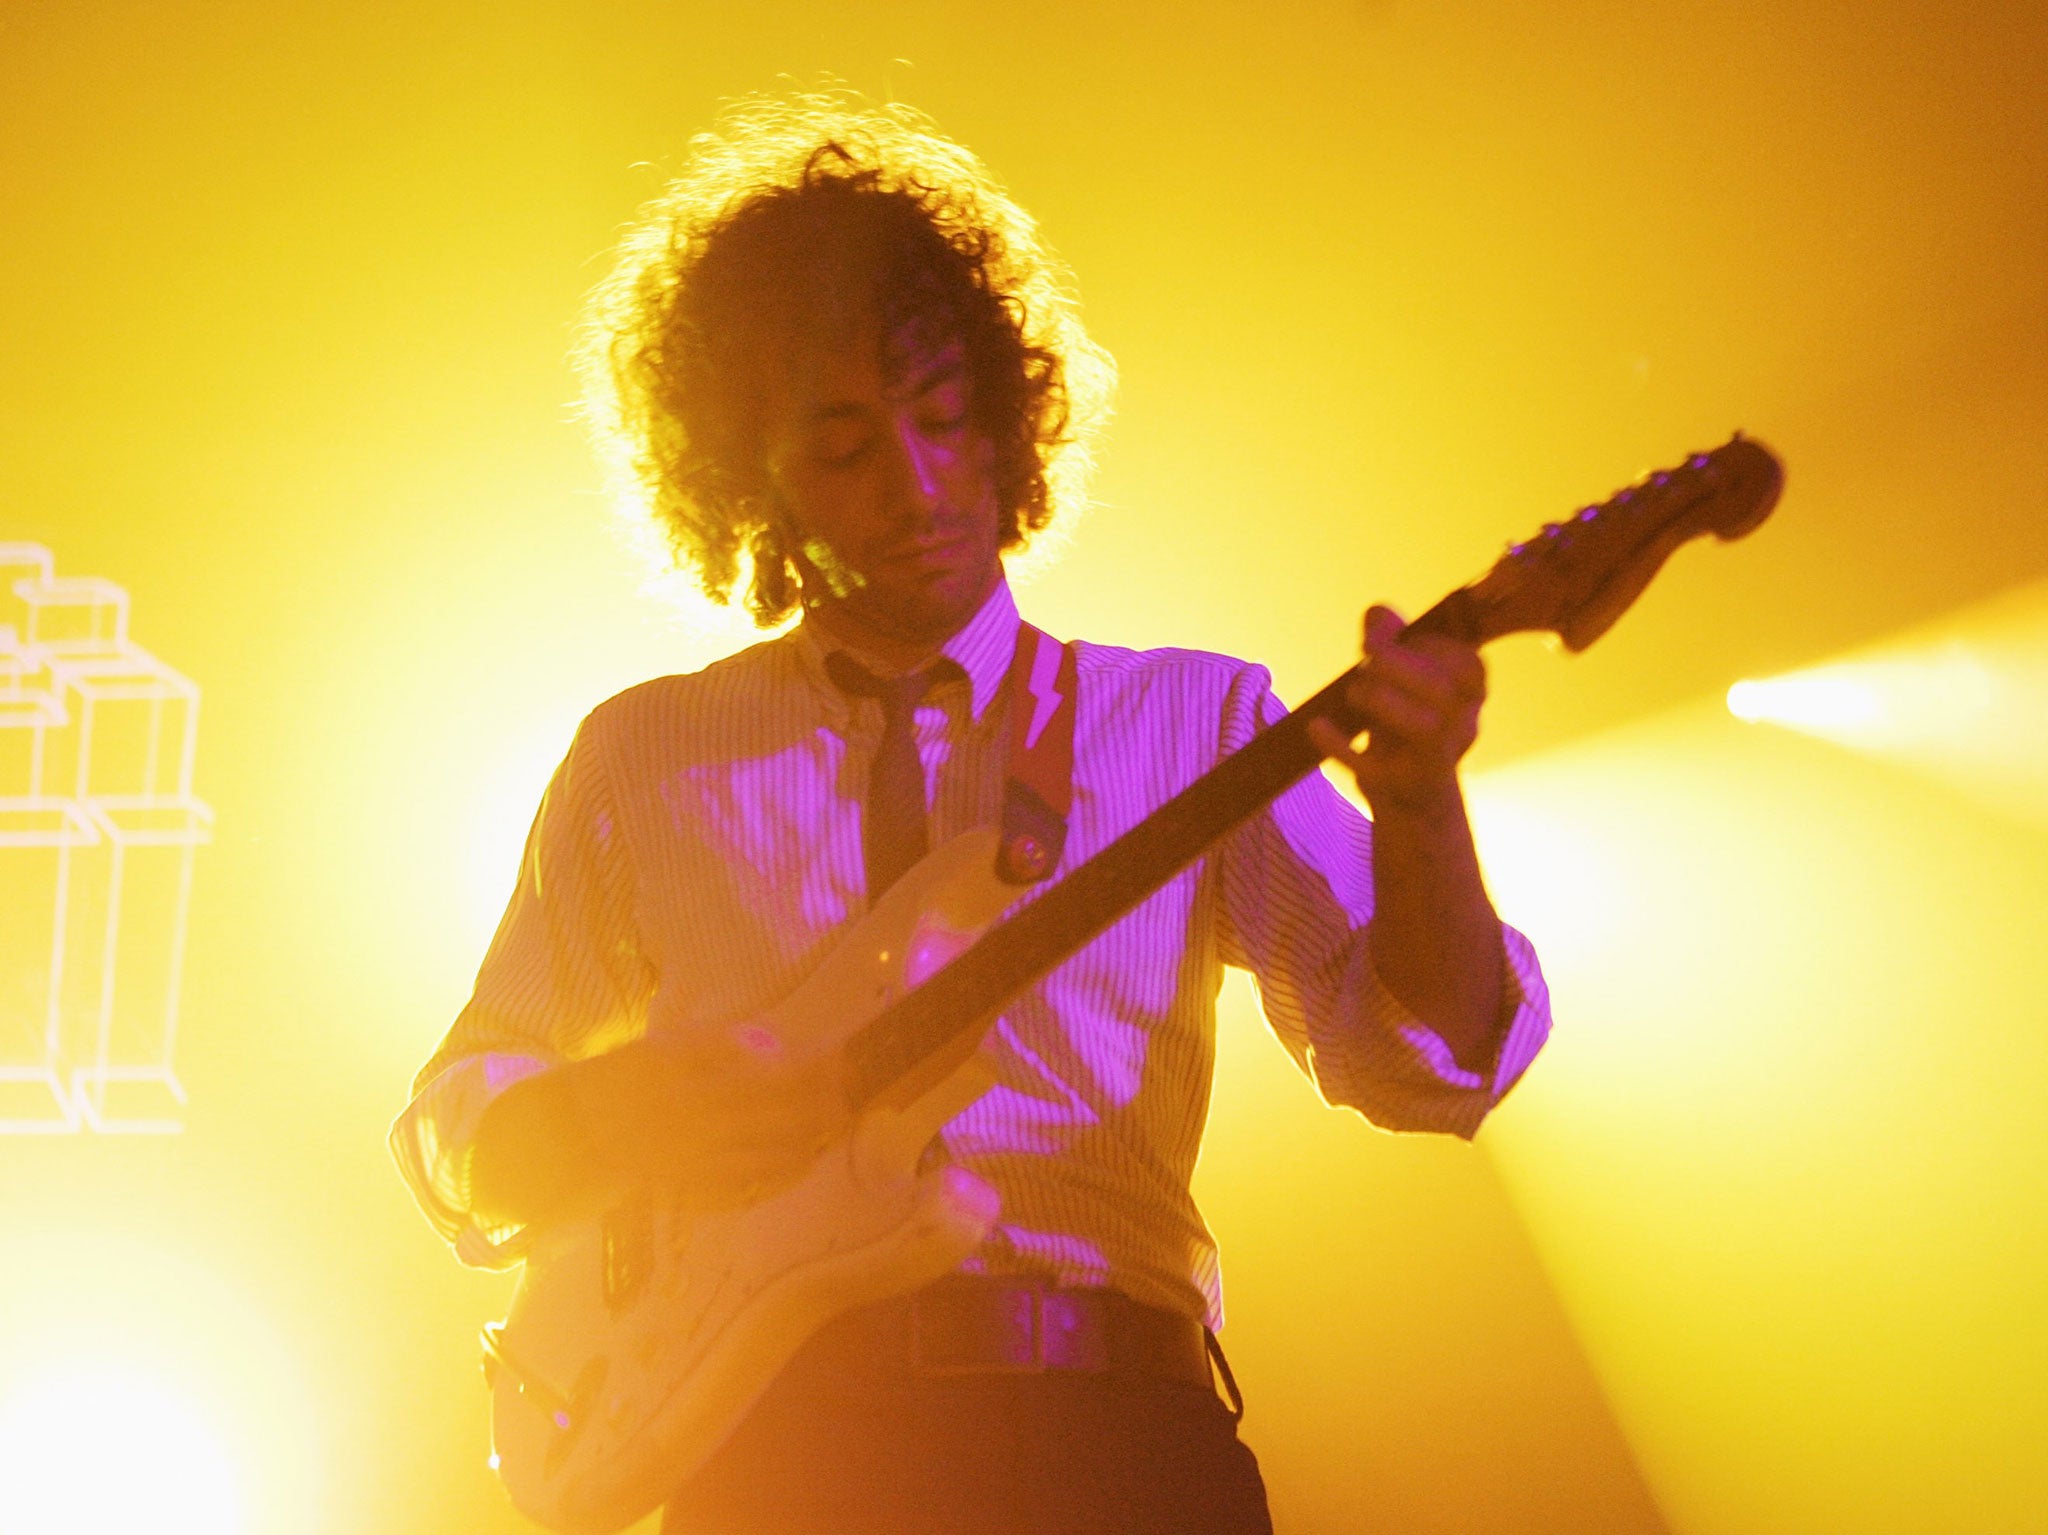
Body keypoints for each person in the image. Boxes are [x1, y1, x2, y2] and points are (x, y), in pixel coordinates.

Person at [391, 95, 1551, 1535]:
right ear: (744, 476)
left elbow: (1434, 1063)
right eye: (846, 448)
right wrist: (608, 1111)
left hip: (1116, 1446)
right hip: (778, 1458)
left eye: (946, 421)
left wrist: (1424, 808)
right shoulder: (646, 759)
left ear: (1007, 426)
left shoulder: (1193, 726)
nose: (921, 484)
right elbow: (455, 1120)